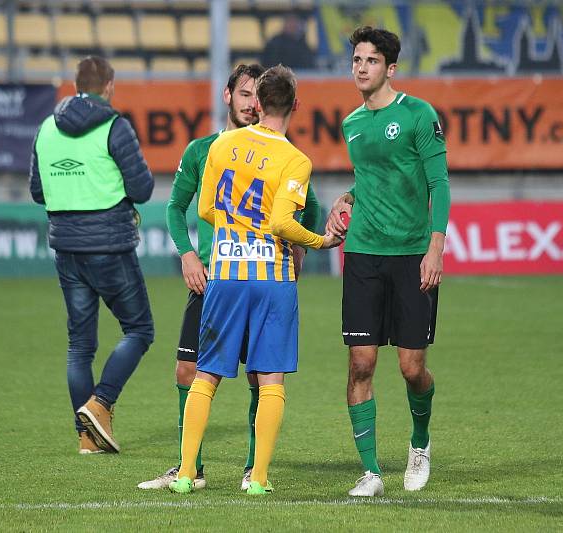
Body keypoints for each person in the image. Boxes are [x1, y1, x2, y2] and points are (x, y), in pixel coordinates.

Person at [137, 64, 322, 491]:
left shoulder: (224, 147)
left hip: (225, 272)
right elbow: (287, 219)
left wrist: (231, 233)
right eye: (240, 93)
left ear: (258, 102)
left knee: (209, 374)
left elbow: (204, 209)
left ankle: (189, 472)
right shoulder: (292, 158)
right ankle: (253, 477)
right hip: (267, 278)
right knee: (266, 375)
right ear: (294, 105)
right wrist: (316, 243)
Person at [325, 27, 450, 497]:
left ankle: (420, 444)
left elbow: (438, 183)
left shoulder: (418, 115)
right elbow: (372, 181)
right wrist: (347, 196)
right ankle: (372, 472)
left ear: (390, 68)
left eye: (371, 60)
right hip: (362, 254)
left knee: (412, 368)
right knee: (360, 364)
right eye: (356, 60)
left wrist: (435, 245)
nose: (361, 67)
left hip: (412, 254)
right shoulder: (352, 123)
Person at [29, 56, 155, 454]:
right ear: (110, 86)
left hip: (66, 248)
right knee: (139, 330)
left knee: (80, 346)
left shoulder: (47, 128)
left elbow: (37, 191)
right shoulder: (114, 126)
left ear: (74, 85)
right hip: (111, 246)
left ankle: (88, 440)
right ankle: (100, 405)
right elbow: (143, 187)